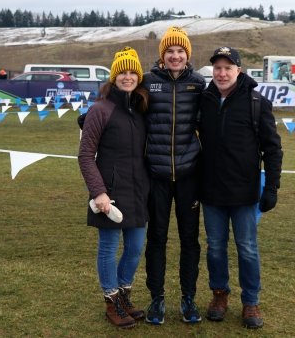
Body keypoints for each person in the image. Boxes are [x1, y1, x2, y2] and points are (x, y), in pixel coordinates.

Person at [198, 47, 283, 329]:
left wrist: (271, 187)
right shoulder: (204, 99)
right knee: (215, 249)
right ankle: (219, 295)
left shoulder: (256, 101)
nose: (222, 73)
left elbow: (273, 149)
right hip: (211, 192)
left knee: (247, 248)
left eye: (228, 68)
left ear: (239, 71)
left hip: (245, 193)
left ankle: (251, 302)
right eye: (217, 68)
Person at [78, 47, 150, 330]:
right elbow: (85, 155)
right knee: (108, 247)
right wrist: (99, 192)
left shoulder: (141, 109)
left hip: (137, 190)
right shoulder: (100, 109)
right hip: (109, 191)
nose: (128, 76)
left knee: (135, 247)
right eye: (123, 72)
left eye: (133, 72)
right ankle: (112, 301)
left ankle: (124, 294)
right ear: (114, 76)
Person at [141, 26, 205, 324]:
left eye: (180, 51)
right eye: (170, 51)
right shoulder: (148, 81)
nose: (175, 55)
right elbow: (123, 105)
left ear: (187, 55)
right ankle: (157, 298)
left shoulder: (198, 83)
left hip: (189, 175)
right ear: (162, 55)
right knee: (156, 238)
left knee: (190, 239)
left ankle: (188, 298)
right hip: (157, 175)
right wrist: (91, 118)